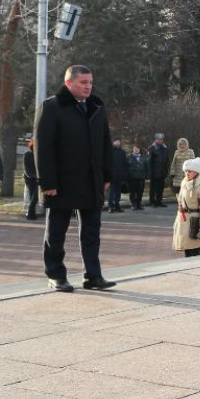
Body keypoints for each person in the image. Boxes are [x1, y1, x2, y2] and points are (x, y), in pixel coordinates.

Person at [34, 65, 116, 292]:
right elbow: (43, 147)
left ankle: (93, 276)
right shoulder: (52, 107)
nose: (88, 86)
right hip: (61, 182)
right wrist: (47, 182)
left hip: (91, 181)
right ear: (69, 83)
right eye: (83, 82)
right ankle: (56, 275)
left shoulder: (97, 107)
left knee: (91, 232)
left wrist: (107, 174)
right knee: (56, 232)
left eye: (90, 82)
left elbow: (105, 142)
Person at [172, 157, 200, 257]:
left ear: (196, 172)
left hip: (194, 222)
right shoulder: (184, 183)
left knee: (194, 252)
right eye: (186, 171)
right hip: (183, 219)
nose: (187, 173)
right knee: (187, 250)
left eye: (190, 171)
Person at [148, 133, 169, 207]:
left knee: (161, 188)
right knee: (153, 188)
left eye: (161, 139)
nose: (160, 140)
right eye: (158, 139)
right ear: (155, 140)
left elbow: (167, 160)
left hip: (162, 171)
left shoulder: (165, 148)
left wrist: (166, 171)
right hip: (154, 172)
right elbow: (150, 162)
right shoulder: (152, 148)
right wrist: (150, 173)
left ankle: (159, 201)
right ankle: (152, 201)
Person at [108, 139, 128, 213]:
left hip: (120, 175)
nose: (118, 143)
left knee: (118, 192)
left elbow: (125, 164)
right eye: (116, 141)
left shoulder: (122, 152)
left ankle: (117, 205)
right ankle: (111, 206)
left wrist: (124, 175)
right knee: (112, 192)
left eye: (119, 141)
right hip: (112, 175)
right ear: (113, 142)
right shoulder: (110, 151)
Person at [127, 145, 148, 210]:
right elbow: (126, 167)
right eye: (135, 148)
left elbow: (146, 167)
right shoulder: (129, 157)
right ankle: (133, 204)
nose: (136, 150)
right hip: (132, 177)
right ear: (133, 149)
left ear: (139, 150)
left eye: (137, 149)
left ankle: (139, 204)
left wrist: (146, 176)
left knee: (140, 191)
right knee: (132, 191)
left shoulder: (143, 157)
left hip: (141, 177)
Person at [23, 138, 39, 220]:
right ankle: (31, 214)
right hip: (30, 179)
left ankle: (30, 213)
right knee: (32, 196)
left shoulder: (40, 155)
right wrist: (32, 175)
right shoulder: (28, 154)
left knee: (35, 196)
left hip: (38, 178)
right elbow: (26, 168)